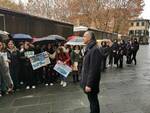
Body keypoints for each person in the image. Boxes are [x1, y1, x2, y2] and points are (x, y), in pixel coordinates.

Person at [80, 31, 102, 113]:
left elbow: (94, 69)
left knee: (93, 102)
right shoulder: (89, 48)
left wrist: (89, 84)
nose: (83, 38)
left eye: (84, 36)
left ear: (89, 38)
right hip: (88, 81)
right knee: (92, 101)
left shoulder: (94, 49)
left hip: (91, 84)